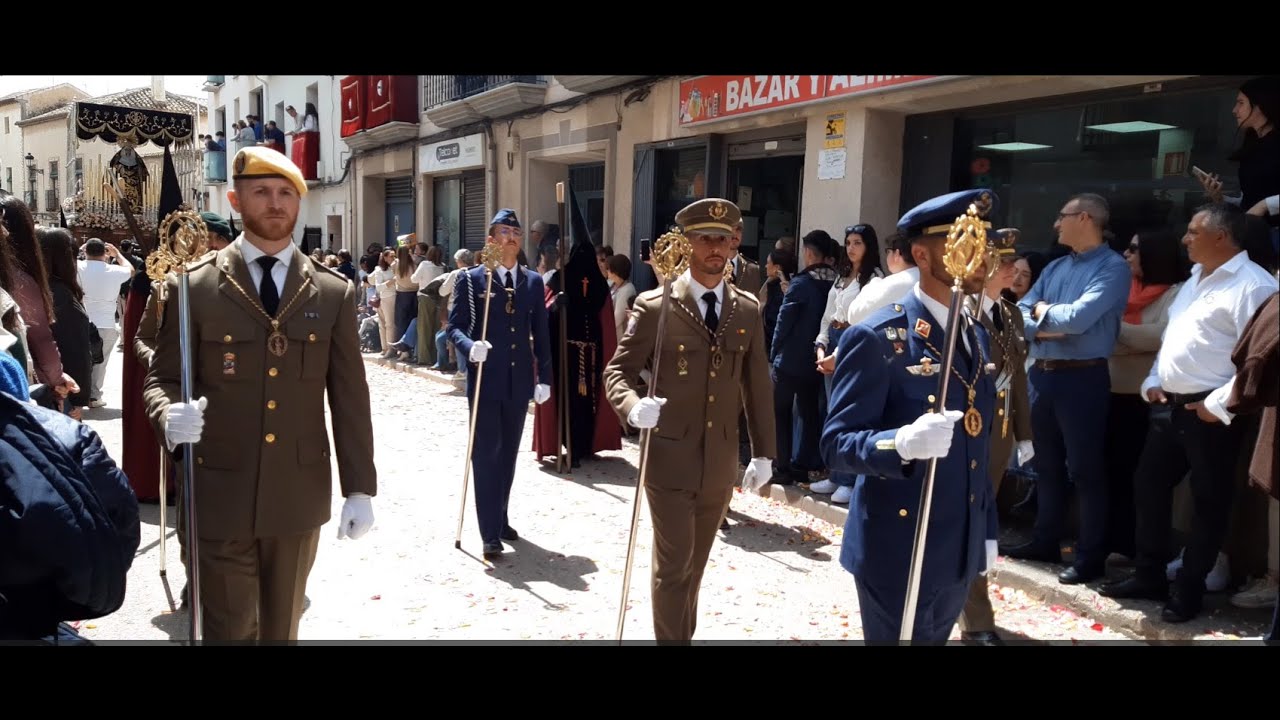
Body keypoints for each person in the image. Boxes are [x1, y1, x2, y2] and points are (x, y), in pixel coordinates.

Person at [142, 147, 377, 643]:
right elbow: (161, 377)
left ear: (300, 203)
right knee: (229, 630)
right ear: (235, 199)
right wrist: (169, 415)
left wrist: (359, 487)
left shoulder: (332, 292)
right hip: (218, 491)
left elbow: (349, 397)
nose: (275, 203)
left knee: (281, 629)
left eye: (286, 193)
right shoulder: (193, 286)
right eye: (261, 192)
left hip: (296, 494)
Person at [820, 188, 999, 645]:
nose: (978, 256)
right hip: (901, 545)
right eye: (963, 242)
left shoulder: (975, 335)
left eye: (982, 243)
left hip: (957, 546)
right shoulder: (879, 338)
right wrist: (898, 443)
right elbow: (837, 443)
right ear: (921, 253)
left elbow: (978, 447)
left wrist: (986, 530)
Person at [603, 197, 776, 644]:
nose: (715, 248)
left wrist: (763, 453)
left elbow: (757, 386)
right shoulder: (656, 306)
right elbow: (617, 371)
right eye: (705, 238)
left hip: (718, 464)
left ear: (733, 244)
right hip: (669, 458)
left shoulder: (747, 310)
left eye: (723, 239)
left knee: (693, 571)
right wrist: (631, 405)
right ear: (688, 242)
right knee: (675, 567)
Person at [446, 209, 553, 558]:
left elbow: (542, 333)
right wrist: (468, 347)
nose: (512, 237)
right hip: (485, 381)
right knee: (486, 453)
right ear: (491, 239)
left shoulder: (533, 282)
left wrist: (545, 377)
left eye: (516, 232)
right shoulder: (470, 279)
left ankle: (501, 515)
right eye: (504, 231)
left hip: (519, 380)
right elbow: (455, 327)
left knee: (508, 454)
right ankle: (489, 531)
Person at [956, 227, 1035, 646]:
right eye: (1005, 262)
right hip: (960, 437)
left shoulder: (1011, 313)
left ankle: (970, 614)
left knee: (982, 522)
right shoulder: (956, 310)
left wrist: (1024, 433)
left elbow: (1016, 376)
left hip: (997, 438)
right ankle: (974, 617)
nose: (1014, 269)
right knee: (960, 523)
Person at [533, 189, 621, 467]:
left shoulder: (597, 285)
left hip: (592, 359)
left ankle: (584, 444)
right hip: (564, 357)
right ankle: (568, 443)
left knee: (588, 403)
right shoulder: (558, 280)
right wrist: (555, 306)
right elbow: (541, 315)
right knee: (567, 401)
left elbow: (606, 324)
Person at [108, 138, 150, 216]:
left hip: (135, 189)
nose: (127, 151)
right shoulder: (116, 160)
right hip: (121, 189)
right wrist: (120, 168)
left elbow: (143, 176)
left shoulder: (138, 161)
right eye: (126, 149)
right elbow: (111, 173)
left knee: (135, 204)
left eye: (129, 149)